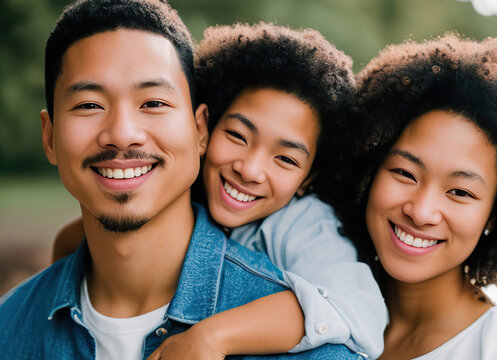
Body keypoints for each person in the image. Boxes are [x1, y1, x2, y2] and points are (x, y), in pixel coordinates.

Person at [0, 1, 362, 359]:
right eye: (90, 104)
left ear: (198, 129)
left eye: (153, 102)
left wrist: (215, 336)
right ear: (49, 138)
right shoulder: (9, 327)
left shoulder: (307, 257)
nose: (123, 134)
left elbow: (355, 312)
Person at [332, 34, 497, 359]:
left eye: (460, 192)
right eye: (405, 173)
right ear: (368, 169)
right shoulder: (315, 301)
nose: (421, 212)